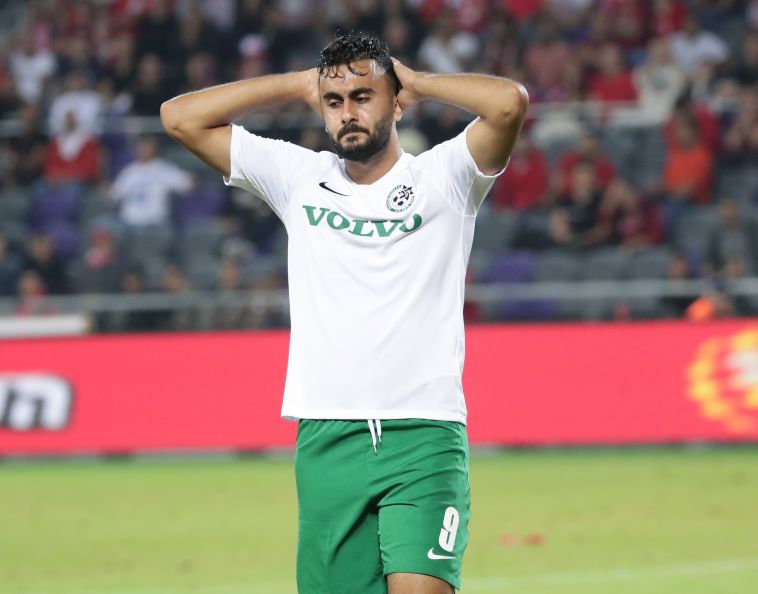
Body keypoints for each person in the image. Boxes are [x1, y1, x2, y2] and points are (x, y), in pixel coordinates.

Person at [161, 31, 527, 594]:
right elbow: (180, 118)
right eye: (334, 102)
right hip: (327, 436)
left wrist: (417, 81)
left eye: (363, 96)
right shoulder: (297, 177)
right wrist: (299, 84)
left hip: (423, 434)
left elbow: (508, 103)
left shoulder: (445, 177)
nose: (347, 113)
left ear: (395, 103)